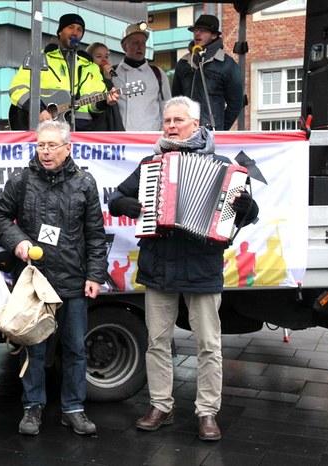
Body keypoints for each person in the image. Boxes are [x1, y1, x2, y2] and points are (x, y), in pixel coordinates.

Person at [107, 96, 259, 441]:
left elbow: (249, 215)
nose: (171, 126)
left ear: (196, 123)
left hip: (202, 266)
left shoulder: (224, 167)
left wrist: (246, 205)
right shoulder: (151, 164)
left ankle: (207, 412)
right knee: (157, 341)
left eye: (178, 120)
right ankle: (161, 404)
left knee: (209, 344)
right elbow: (116, 199)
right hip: (159, 264)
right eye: (167, 121)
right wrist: (132, 205)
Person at [0, 120, 107, 436]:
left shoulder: (85, 183)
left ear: (68, 148)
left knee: (74, 350)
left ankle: (74, 408)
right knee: (34, 348)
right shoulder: (22, 180)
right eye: (40, 145)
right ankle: (32, 408)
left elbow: (95, 233)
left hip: (73, 279)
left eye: (52, 145)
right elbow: (0, 216)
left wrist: (95, 274)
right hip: (34, 281)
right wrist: (18, 241)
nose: (45, 151)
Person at [8, 13, 119, 131]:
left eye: (79, 29)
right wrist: (39, 110)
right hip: (45, 129)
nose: (75, 32)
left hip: (81, 129)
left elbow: (94, 104)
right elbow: (17, 88)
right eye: (70, 27)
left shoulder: (90, 66)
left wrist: (106, 101)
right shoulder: (40, 58)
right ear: (60, 32)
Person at [172, 14, 244, 131]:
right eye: (195, 30)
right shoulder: (184, 63)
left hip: (211, 132)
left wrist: (220, 128)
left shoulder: (227, 64)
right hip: (185, 131)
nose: (197, 34)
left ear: (214, 35)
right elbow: (175, 99)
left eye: (203, 31)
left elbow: (236, 103)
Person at [110, 23, 172, 131]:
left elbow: (167, 108)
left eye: (143, 43)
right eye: (135, 43)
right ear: (124, 46)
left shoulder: (158, 74)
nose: (140, 47)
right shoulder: (112, 73)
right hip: (120, 139)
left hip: (150, 140)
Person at [84, 42, 125, 131]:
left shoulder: (107, 76)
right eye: (99, 57)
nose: (104, 60)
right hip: (94, 126)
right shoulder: (87, 76)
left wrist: (107, 78)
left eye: (106, 57)